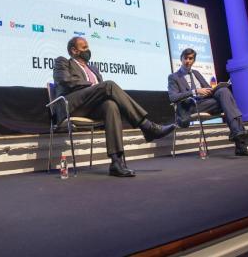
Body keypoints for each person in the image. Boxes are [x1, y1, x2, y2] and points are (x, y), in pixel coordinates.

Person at [53, 37, 176, 177]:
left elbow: (99, 93)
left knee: (110, 105)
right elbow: (65, 80)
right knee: (109, 85)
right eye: (84, 47)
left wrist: (97, 88)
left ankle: (116, 162)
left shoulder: (93, 68)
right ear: (74, 51)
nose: (88, 50)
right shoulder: (63, 61)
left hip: (90, 107)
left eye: (88, 47)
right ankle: (147, 126)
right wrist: (93, 86)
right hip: (71, 104)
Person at [167, 48, 248, 156]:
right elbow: (173, 97)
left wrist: (213, 89)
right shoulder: (174, 77)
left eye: (191, 58)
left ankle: (239, 140)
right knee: (230, 104)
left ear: (194, 60)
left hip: (206, 102)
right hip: (191, 106)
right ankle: (241, 144)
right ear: (181, 59)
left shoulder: (196, 73)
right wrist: (195, 91)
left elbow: (207, 88)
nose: (188, 61)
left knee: (224, 92)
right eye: (185, 58)